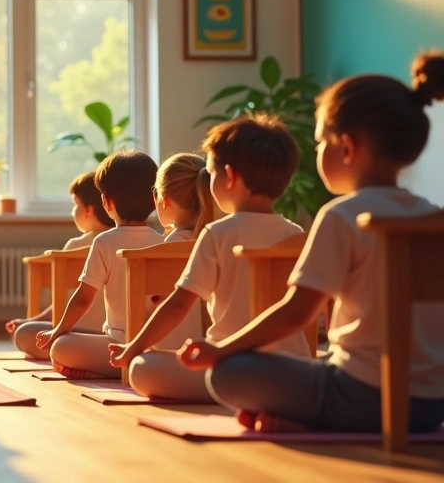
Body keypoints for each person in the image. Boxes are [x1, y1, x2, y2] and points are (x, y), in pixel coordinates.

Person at [179, 52, 444, 433]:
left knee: (228, 373)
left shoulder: (342, 216)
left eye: (320, 142)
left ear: (348, 148)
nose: (317, 152)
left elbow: (296, 313)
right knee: (321, 364)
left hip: (361, 395)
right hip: (430, 407)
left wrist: (220, 350)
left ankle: (313, 422)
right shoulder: (432, 218)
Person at [108, 118, 308, 401]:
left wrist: (133, 347)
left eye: (211, 172)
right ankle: (272, 400)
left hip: (231, 365)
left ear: (230, 177)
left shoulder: (218, 233)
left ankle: (243, 395)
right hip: (290, 372)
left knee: (142, 367)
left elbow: (178, 306)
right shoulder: (296, 233)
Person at [37, 151, 163, 379]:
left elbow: (83, 298)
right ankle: (133, 367)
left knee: (61, 346)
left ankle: (112, 368)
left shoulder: (104, 242)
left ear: (106, 201)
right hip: (152, 347)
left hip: (116, 344)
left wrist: (57, 330)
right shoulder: (161, 241)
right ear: (155, 198)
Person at [5, 171, 112, 359]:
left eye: (75, 204)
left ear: (88, 210)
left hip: (75, 333)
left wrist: (33, 320)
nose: (73, 211)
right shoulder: (133, 242)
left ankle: (71, 355)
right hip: (117, 336)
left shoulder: (76, 246)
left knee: (23, 333)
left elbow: (64, 302)